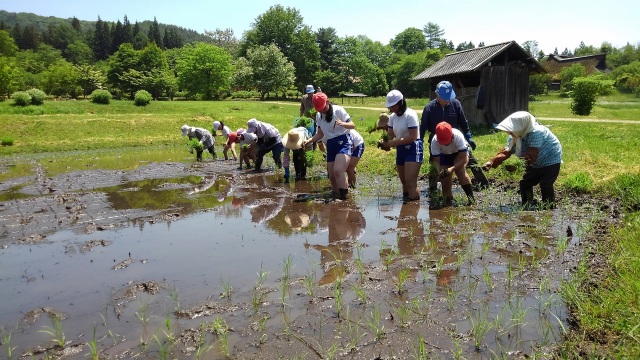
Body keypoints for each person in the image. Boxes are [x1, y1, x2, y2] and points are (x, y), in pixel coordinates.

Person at [482, 111, 562, 209]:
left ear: (520, 126)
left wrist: (516, 166)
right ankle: (527, 204)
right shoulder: (515, 135)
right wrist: (491, 162)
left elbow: (530, 155)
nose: (509, 132)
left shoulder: (536, 132)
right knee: (525, 183)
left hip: (550, 160)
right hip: (535, 162)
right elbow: (507, 151)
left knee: (546, 183)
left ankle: (549, 207)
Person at [420, 81, 489, 193]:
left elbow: (463, 121)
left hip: (455, 138)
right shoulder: (429, 108)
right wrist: (420, 140)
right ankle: (433, 189)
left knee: (470, 160)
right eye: (444, 97)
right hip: (438, 140)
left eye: (448, 97)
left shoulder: (455, 104)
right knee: (435, 164)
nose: (447, 100)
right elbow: (422, 126)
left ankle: (484, 184)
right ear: (437, 94)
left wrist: (468, 136)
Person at [303, 92, 355, 200]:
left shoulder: (338, 110)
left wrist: (342, 124)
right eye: (319, 109)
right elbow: (320, 134)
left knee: (338, 171)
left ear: (328, 102)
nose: (322, 111)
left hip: (343, 141)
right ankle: (336, 196)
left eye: (323, 108)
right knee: (331, 176)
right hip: (330, 144)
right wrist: (309, 140)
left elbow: (352, 125)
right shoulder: (319, 115)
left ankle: (344, 197)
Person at [380, 90, 423, 203]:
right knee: (404, 181)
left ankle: (413, 210)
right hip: (401, 148)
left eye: (393, 106)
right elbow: (390, 134)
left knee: (410, 182)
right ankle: (406, 208)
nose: (391, 109)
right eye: (390, 106)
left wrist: (393, 143)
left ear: (401, 102)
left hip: (413, 148)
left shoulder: (410, 115)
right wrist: (384, 142)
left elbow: (413, 136)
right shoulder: (393, 117)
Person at [430, 122, 475, 207]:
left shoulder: (458, 136)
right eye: (443, 142)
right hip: (444, 155)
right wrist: (439, 171)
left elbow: (463, 159)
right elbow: (436, 160)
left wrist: (451, 169)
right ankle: (448, 202)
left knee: (460, 171)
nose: (445, 144)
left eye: (447, 141)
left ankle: (471, 199)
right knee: (445, 179)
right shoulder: (434, 141)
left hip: (459, 154)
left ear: (451, 135)